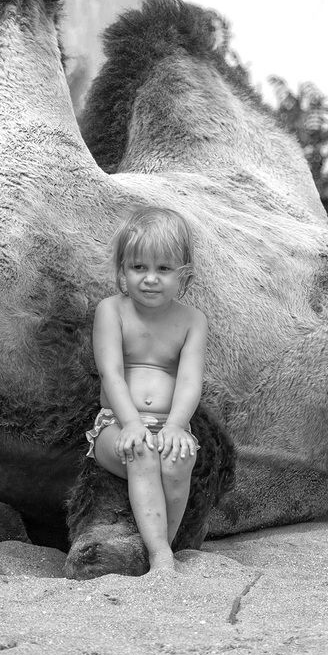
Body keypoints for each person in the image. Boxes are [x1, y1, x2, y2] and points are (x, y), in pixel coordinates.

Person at [85, 206, 208, 574]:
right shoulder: (112, 311)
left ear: (183, 275)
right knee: (141, 451)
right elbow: (111, 374)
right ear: (123, 270)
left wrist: (175, 426)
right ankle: (161, 556)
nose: (150, 279)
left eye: (163, 269)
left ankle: (162, 544)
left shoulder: (192, 321)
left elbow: (190, 380)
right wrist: (131, 423)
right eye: (139, 267)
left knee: (178, 460)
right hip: (117, 423)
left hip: (170, 421)